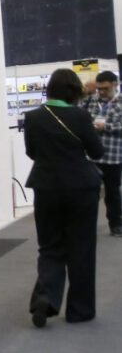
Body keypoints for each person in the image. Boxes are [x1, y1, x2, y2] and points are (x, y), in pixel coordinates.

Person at [24, 68, 103, 327]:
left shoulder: (33, 117)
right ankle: (79, 310)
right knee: (82, 248)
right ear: (74, 90)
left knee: (49, 246)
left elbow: (32, 152)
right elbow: (97, 151)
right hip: (81, 188)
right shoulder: (80, 116)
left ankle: (45, 299)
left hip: (46, 188)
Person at [77, 70, 122, 236]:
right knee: (89, 193)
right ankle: (87, 226)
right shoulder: (91, 100)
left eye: (106, 88)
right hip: (91, 156)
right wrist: (85, 93)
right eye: (100, 88)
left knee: (113, 193)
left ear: (115, 85)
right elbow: (76, 114)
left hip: (113, 156)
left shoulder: (120, 102)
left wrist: (107, 127)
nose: (102, 92)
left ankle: (116, 224)